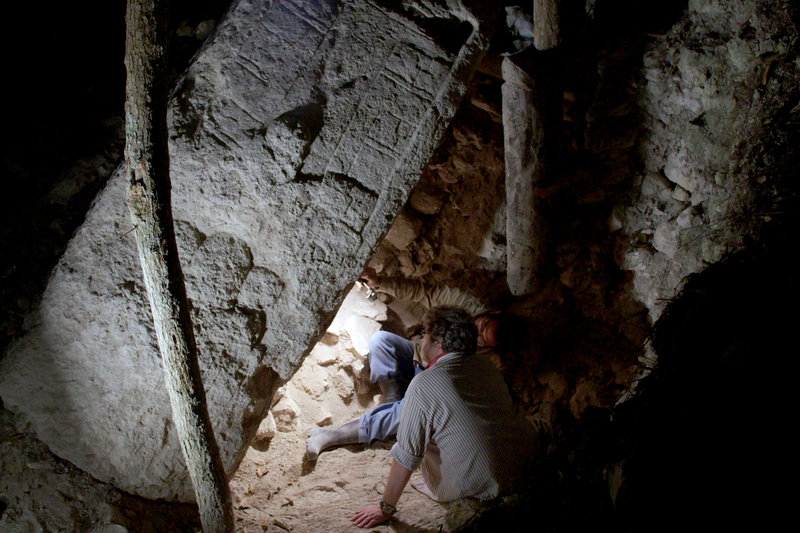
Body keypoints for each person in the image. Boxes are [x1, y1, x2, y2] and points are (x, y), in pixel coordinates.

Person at [351, 307, 538, 528]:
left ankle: (441, 483)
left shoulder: (424, 384)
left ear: (438, 343)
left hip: (480, 488)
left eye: (425, 336)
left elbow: (407, 455)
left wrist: (385, 508)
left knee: (422, 433)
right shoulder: (484, 365)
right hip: (524, 467)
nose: (422, 341)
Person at [305, 269, 511, 460]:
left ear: (489, 347)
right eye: (482, 325)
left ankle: (334, 436)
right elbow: (425, 292)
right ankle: (392, 405)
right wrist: (380, 282)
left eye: (482, 339)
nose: (477, 332)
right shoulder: (466, 306)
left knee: (409, 411)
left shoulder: (484, 365)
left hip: (432, 386)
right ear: (493, 314)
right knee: (382, 341)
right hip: (417, 360)